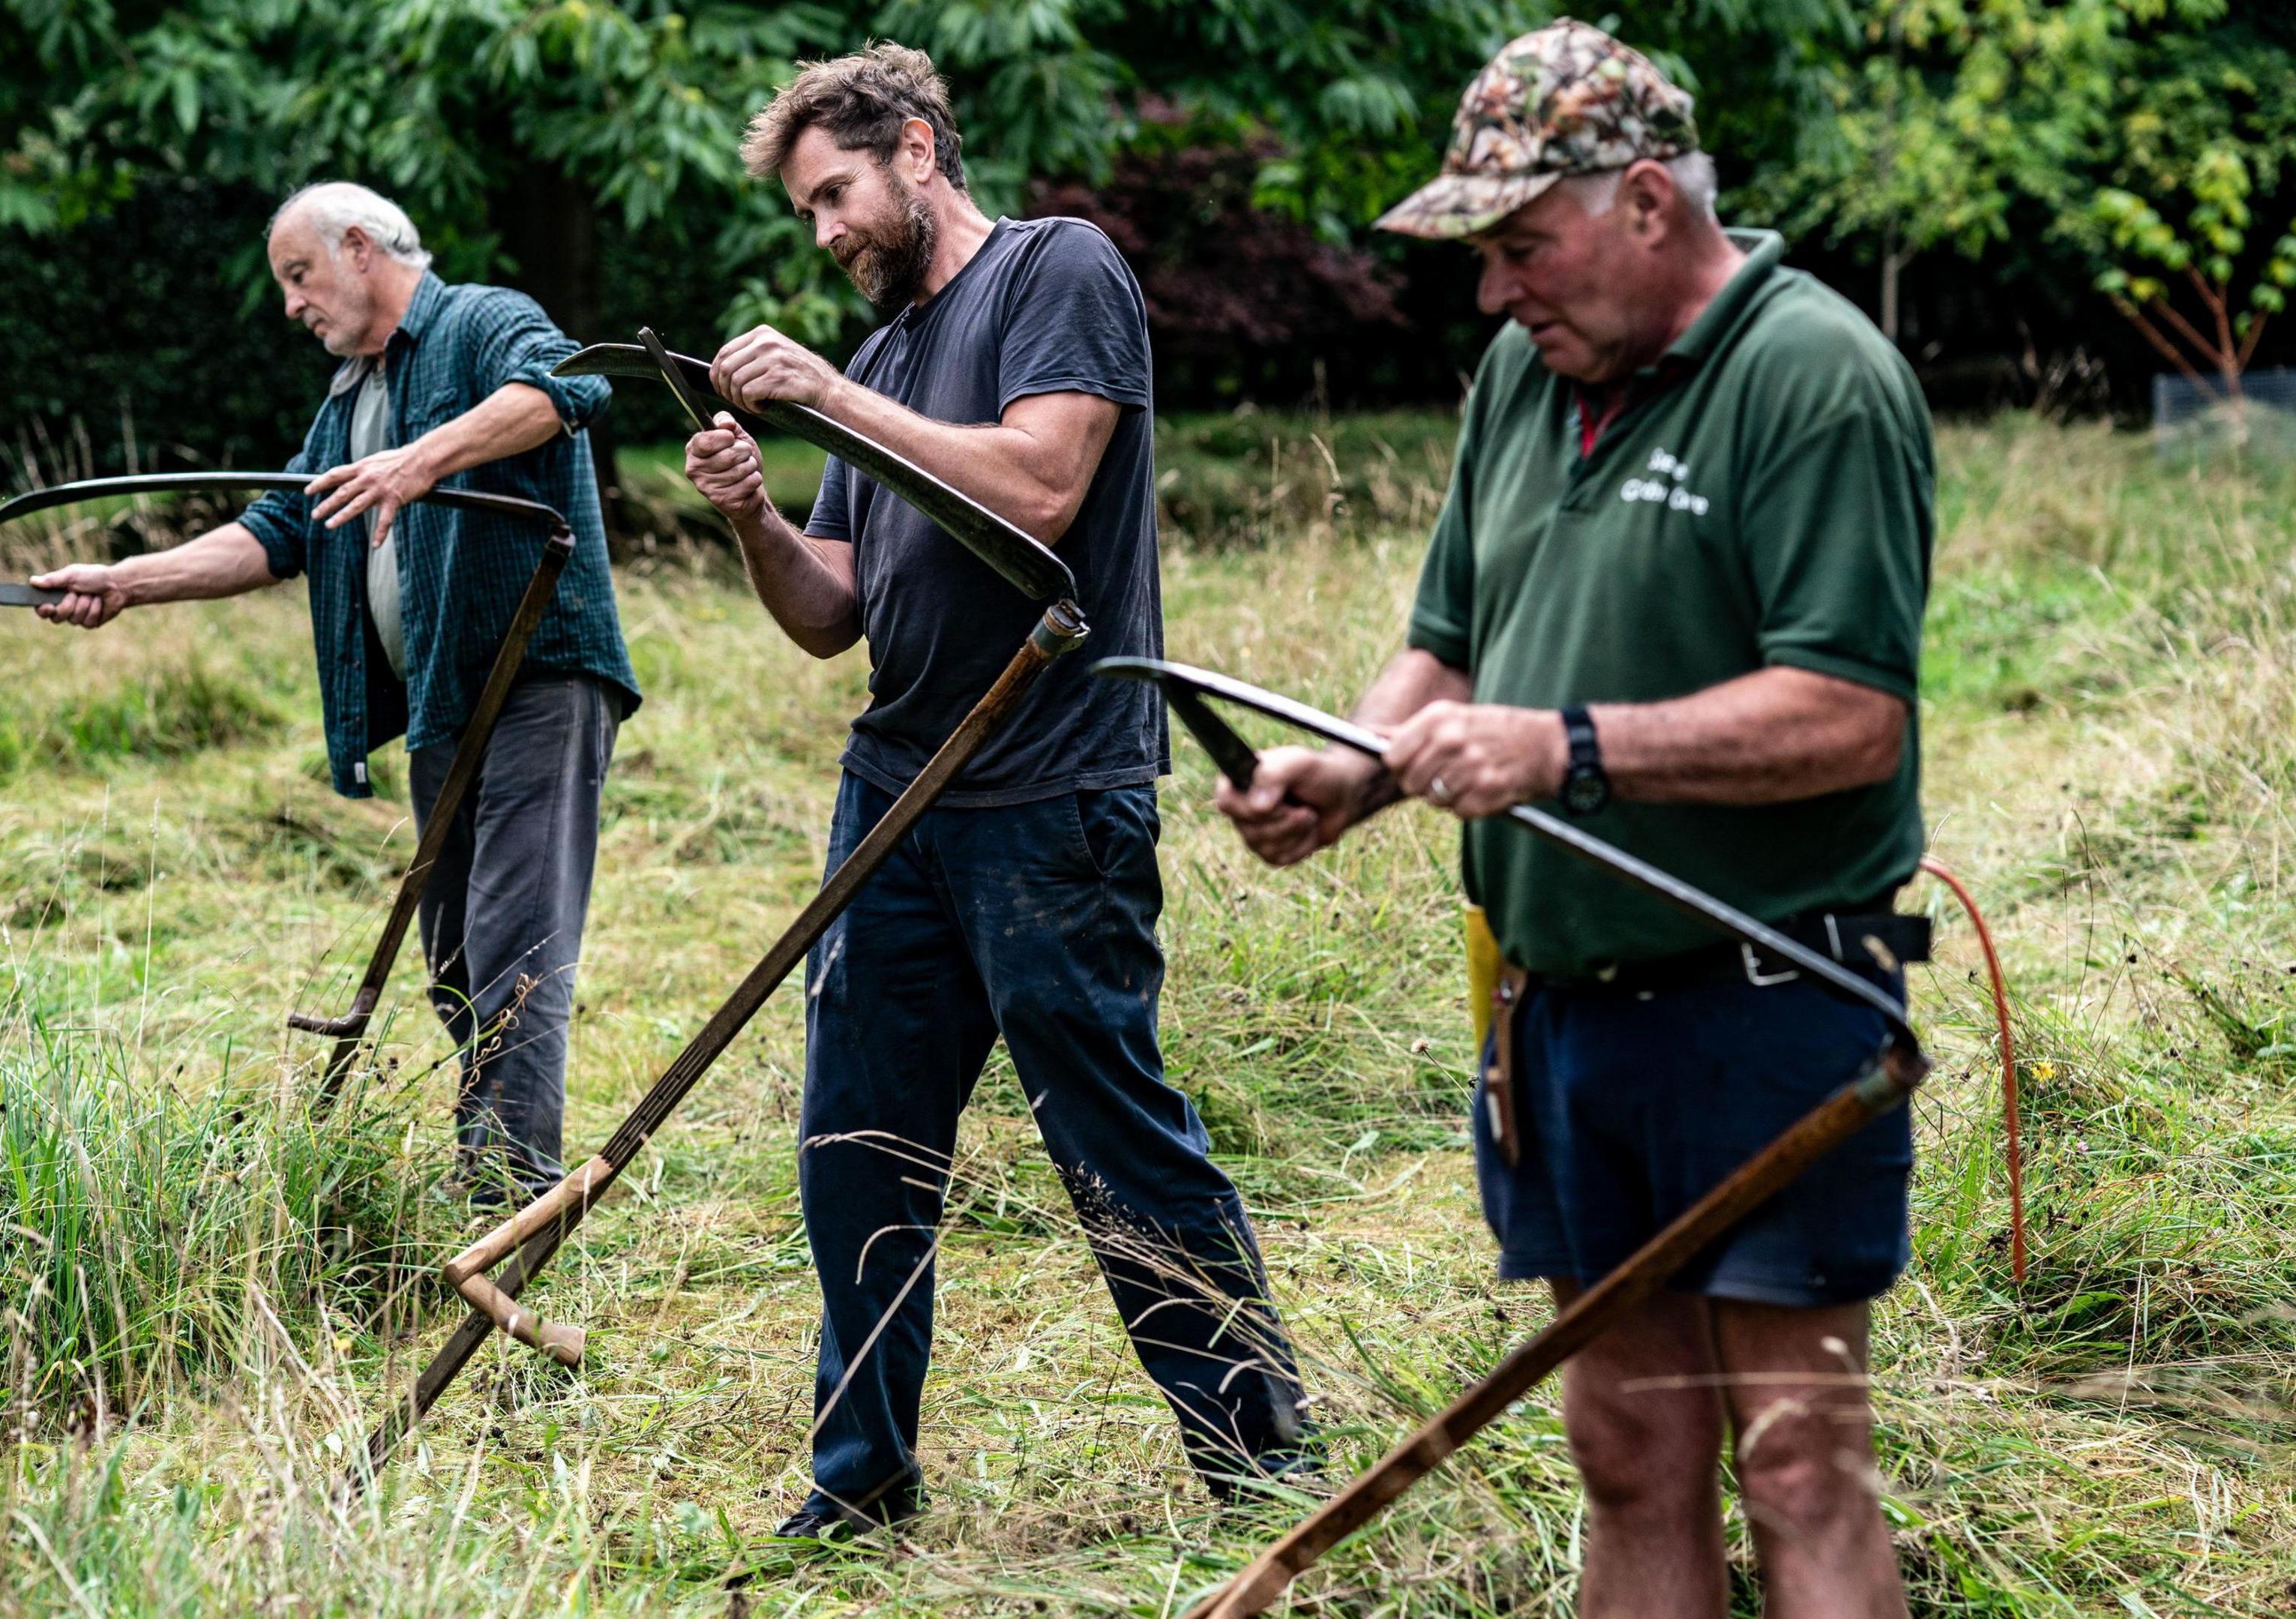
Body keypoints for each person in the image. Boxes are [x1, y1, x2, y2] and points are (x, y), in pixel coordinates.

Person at [1217, 21, 1931, 1617]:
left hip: (1771, 997)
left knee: (1801, 1456)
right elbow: (1453, 641)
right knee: (1624, 1447)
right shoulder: (1523, 382)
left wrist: (1566, 749)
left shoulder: (1814, 379)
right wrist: (1356, 767)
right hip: (1559, 1015)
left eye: (1523, 245)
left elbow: (1850, 714)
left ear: (1651, 207)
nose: (1495, 291)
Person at [679, 43, 1308, 1539]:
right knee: (855, 1148)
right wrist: (762, 512)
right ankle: (862, 1484)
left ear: (914, 148)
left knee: (1112, 1137)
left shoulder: (1053, 272)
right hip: (900, 795)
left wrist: (828, 393)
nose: (824, 231)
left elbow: (1038, 486)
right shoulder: (887, 360)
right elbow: (832, 609)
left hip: (1049, 784)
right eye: (806, 213)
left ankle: (1261, 1459)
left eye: (835, 194)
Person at [30, 181, 638, 1202]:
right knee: (452, 953)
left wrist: (421, 459)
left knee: (512, 945)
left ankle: (508, 1197)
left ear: (360, 248)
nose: (290, 305)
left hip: (539, 677)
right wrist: (125, 584)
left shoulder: (481, 321)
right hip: (444, 697)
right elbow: (279, 531)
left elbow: (567, 389)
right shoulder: (351, 396)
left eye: (298, 275)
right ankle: (498, 1158)